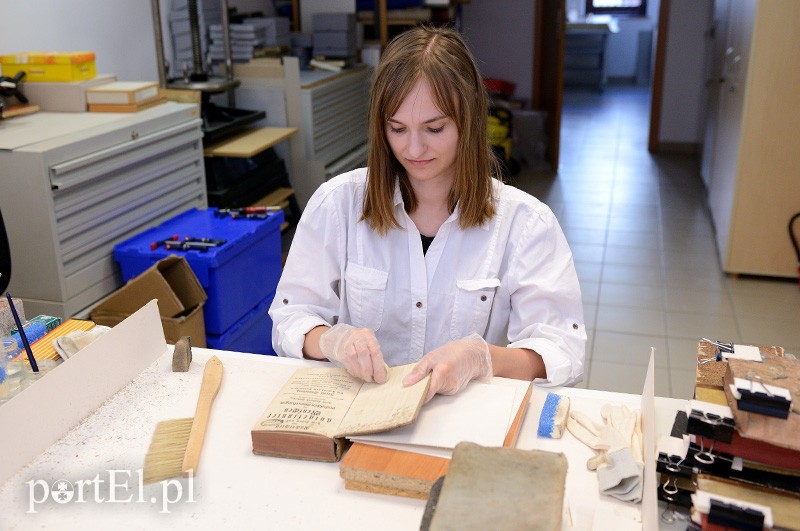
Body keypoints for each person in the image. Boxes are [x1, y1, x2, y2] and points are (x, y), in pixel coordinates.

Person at [269, 25, 586, 402]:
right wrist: (333, 341)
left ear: (467, 122)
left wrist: (482, 358)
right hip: (362, 411)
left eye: (434, 128)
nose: (413, 148)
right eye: (397, 128)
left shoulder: (525, 223)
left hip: (466, 420)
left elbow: (563, 350)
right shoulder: (339, 204)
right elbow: (290, 318)